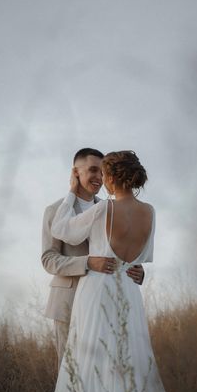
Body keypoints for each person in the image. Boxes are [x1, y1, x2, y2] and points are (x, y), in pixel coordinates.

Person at [51, 150, 171, 392]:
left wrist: (72, 189)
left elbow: (60, 229)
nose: (102, 181)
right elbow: (143, 257)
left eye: (104, 175)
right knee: (131, 362)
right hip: (129, 291)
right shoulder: (150, 211)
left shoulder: (105, 208)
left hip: (97, 289)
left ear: (112, 178)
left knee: (91, 361)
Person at [41, 148, 145, 369]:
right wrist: (87, 263)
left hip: (105, 302)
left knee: (104, 372)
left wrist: (137, 269)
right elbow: (48, 259)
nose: (99, 177)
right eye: (92, 170)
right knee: (70, 374)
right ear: (75, 172)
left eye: (102, 171)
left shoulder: (111, 208)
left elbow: (120, 251)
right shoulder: (55, 210)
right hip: (68, 302)